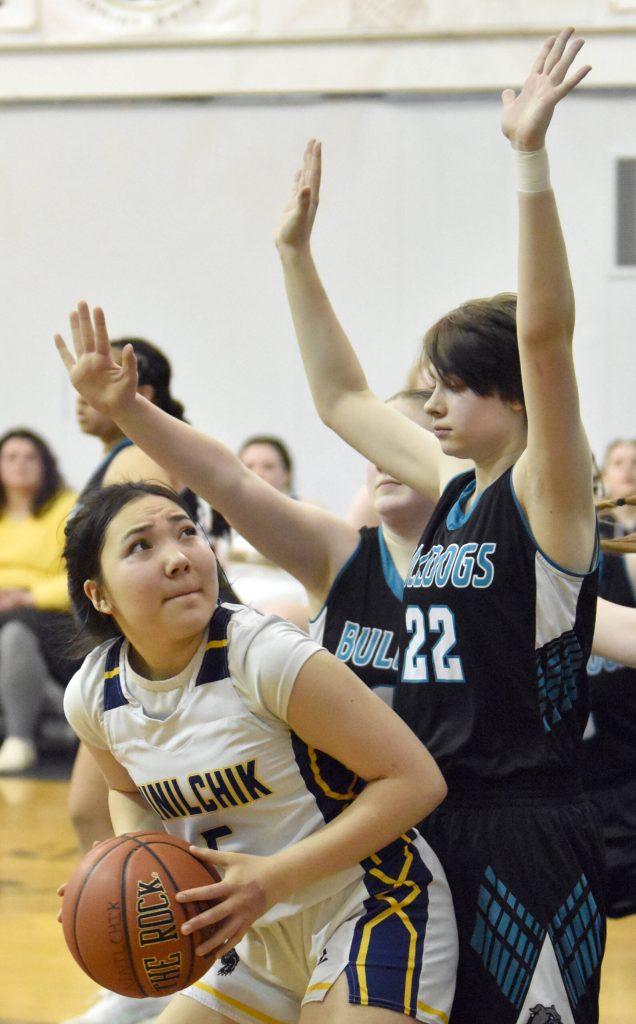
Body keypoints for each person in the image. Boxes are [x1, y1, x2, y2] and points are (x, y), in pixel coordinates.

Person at [275, 28, 604, 1024]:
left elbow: (547, 334)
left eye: (457, 385)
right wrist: (293, 252)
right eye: (432, 385)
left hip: (527, 828)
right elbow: (339, 396)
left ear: (511, 395)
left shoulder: (546, 491)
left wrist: (529, 157)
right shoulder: (453, 480)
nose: (433, 404)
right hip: (429, 812)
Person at [59, 479, 458, 1024]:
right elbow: (128, 791)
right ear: (98, 594)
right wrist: (121, 876)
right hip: (248, 932)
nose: (177, 558)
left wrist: (272, 880)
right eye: (141, 546)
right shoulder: (93, 694)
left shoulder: (264, 655)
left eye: (187, 533)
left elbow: (416, 781)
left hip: (368, 903)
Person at [65, 334, 209, 1024]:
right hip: (124, 662)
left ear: (139, 392)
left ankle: (165, 946)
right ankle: (133, 939)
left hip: (185, 657)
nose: (77, 394)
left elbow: (158, 506)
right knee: (97, 814)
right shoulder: (108, 458)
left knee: (148, 820)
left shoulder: (137, 453)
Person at [0, 428, 77, 774]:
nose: (20, 465)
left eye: (30, 457)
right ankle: (61, 717)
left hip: (47, 614)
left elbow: (81, 575)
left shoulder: (66, 508)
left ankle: (20, 739)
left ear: (46, 465)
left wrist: (29, 596)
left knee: (15, 631)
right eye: (11, 457)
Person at [583, 445, 636, 920]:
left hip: (626, 776)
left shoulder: (626, 557)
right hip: (571, 789)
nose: (633, 473)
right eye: (623, 463)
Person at [213, 434, 312, 629]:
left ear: (286, 474)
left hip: (289, 620)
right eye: (249, 466)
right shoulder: (218, 520)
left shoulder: (308, 516)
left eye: (268, 466)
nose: (258, 472)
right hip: (230, 618)